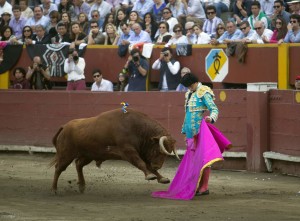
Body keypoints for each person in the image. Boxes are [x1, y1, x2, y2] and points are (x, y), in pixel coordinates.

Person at [180, 73, 219, 196]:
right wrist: (185, 131)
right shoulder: (189, 93)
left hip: (200, 132)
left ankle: (204, 187)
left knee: (203, 160)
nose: (189, 88)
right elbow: (187, 114)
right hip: (190, 133)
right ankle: (195, 186)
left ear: (195, 82)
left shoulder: (203, 91)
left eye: (190, 85)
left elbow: (214, 109)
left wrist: (211, 118)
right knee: (193, 161)